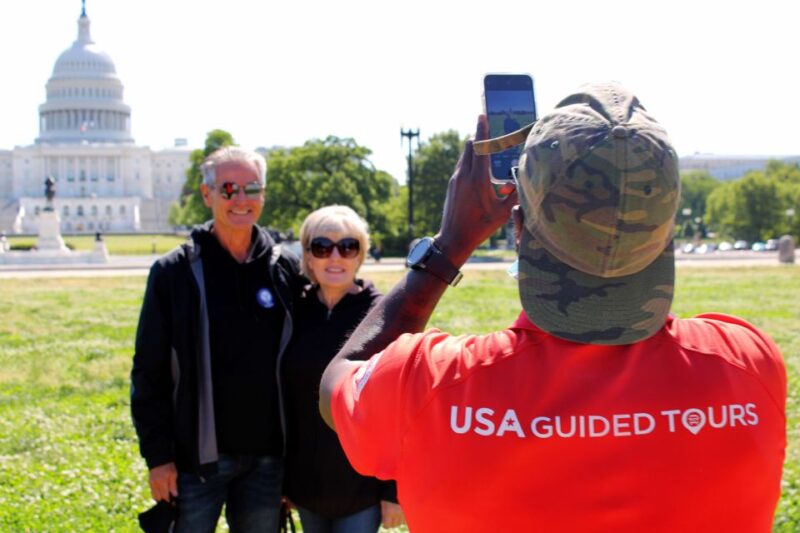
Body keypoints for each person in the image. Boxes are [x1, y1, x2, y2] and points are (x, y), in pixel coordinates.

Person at [319, 82, 786, 532]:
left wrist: (448, 247)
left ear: (518, 226)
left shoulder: (427, 383)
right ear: (665, 225)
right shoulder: (749, 363)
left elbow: (336, 388)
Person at [131, 146, 302, 532]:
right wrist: (158, 459)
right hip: (195, 460)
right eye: (228, 189)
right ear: (207, 195)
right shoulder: (174, 272)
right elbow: (149, 372)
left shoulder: (285, 267)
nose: (240, 199)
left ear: (263, 194)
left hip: (269, 459)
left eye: (251, 188)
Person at [282, 205, 404, 532]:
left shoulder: (383, 315)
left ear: (361, 255)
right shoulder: (294, 310)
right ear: (308, 256)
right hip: (306, 484)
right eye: (322, 247)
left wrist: (392, 491)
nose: (335, 257)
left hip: (361, 487)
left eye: (347, 247)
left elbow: (399, 407)